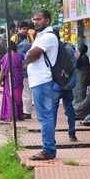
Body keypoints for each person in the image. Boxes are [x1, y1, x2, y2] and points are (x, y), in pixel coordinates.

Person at [23, 9, 76, 161]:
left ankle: (48, 150)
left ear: (47, 20)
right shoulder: (40, 36)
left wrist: (26, 60)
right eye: (34, 19)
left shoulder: (48, 36)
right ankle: (49, 148)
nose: (35, 22)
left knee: (45, 117)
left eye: (38, 19)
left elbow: (34, 54)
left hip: (43, 81)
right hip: (39, 82)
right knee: (45, 116)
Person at [0, 41, 24, 122]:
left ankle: (11, 115)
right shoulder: (19, 55)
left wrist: (0, 80)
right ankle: (20, 115)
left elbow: (4, 70)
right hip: (19, 79)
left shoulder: (7, 56)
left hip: (10, 79)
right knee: (18, 97)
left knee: (10, 97)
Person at [16, 23, 34, 119]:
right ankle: (26, 111)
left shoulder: (25, 44)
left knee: (26, 92)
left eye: (25, 29)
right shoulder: (25, 42)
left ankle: (27, 112)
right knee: (26, 92)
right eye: (22, 29)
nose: (24, 30)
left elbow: (21, 58)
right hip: (25, 71)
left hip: (24, 71)